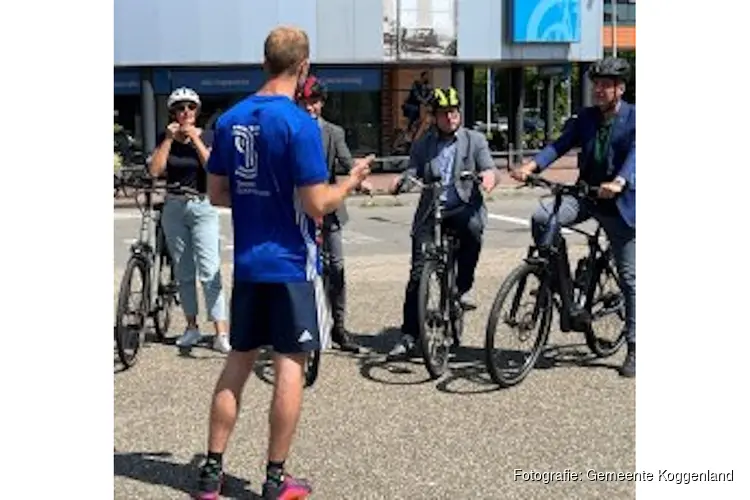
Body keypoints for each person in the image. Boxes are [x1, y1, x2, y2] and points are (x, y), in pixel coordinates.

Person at [196, 26, 373, 500]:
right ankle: (276, 480)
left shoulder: (231, 119)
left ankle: (211, 474)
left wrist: (259, 199)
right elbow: (317, 203)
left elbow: (216, 193)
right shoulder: (299, 125)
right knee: (290, 363)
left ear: (264, 62)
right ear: (303, 67)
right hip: (292, 266)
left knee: (237, 362)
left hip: (250, 265)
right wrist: (352, 181)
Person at [511, 56, 636, 378]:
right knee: (543, 216)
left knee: (629, 277)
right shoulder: (585, 118)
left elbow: (637, 156)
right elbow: (559, 145)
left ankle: (635, 347)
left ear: (620, 89)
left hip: (620, 203)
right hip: (586, 196)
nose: (598, 90)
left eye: (605, 85)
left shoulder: (637, 119)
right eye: (596, 84)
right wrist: (532, 166)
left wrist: (620, 181)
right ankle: (558, 280)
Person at [387, 86, 497, 360]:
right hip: (431, 210)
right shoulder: (424, 143)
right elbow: (412, 170)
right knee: (417, 275)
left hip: (462, 206)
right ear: (434, 116)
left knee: (473, 228)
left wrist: (487, 178)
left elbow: (489, 168)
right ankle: (409, 335)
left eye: (454, 112)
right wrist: (401, 181)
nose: (450, 117)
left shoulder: (474, 140)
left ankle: (462, 289)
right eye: (445, 113)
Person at [149, 87, 230, 354]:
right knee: (184, 271)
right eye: (180, 108)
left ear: (197, 111)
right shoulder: (166, 137)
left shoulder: (208, 136)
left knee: (210, 269)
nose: (185, 112)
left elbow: (213, 168)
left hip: (201, 205)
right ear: (173, 112)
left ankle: (220, 332)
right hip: (174, 204)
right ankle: (191, 327)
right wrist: (169, 140)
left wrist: (195, 140)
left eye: (190, 108)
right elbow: (156, 170)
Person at [296, 75, 374, 354]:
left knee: (336, 266)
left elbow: (345, 162)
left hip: (329, 207)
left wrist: (359, 180)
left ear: (322, 103)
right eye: (304, 102)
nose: (309, 107)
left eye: (314, 102)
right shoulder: (289, 130)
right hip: (297, 207)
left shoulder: (333, 132)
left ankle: (339, 326)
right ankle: (294, 325)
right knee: (294, 268)